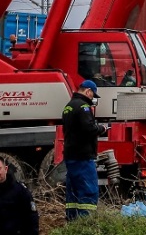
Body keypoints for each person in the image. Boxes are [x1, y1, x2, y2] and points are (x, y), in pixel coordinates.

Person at [61, 79, 105, 221]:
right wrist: (102, 128)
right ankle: (86, 223)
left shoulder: (68, 106)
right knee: (88, 190)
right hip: (83, 156)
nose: (92, 98)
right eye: (93, 95)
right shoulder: (83, 107)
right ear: (88, 91)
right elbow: (89, 128)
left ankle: (72, 223)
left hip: (71, 155)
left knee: (73, 192)